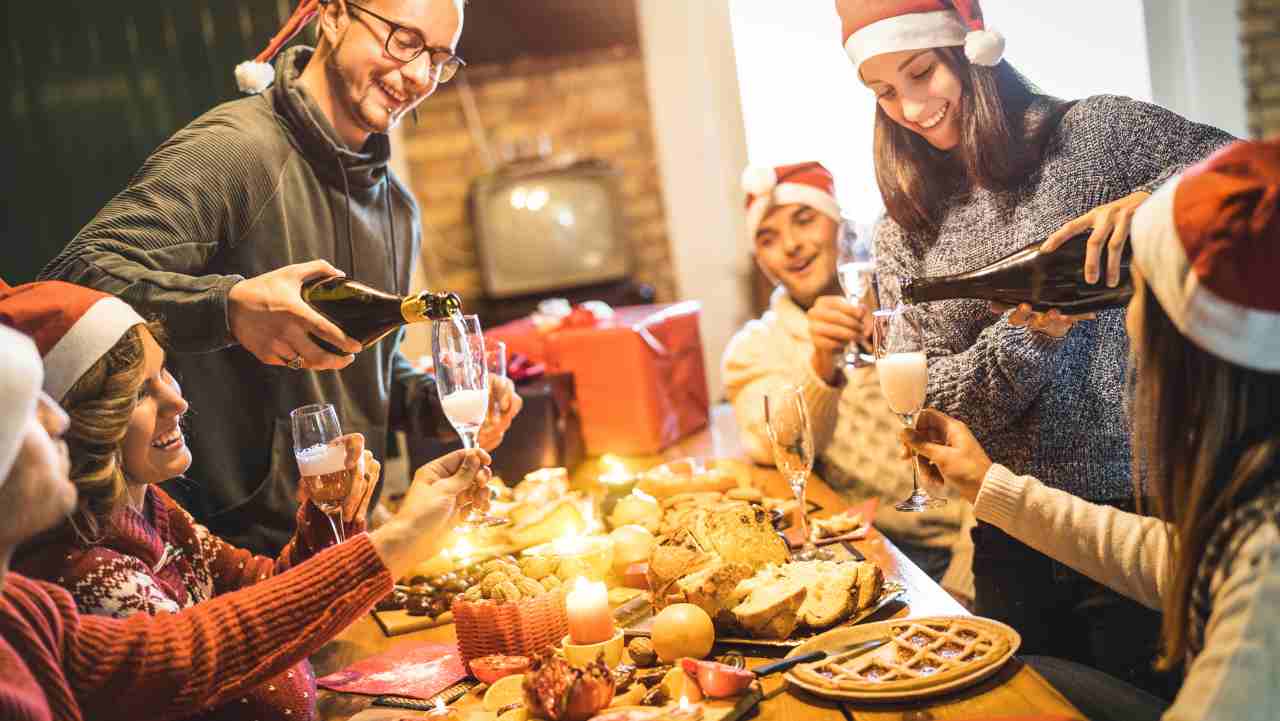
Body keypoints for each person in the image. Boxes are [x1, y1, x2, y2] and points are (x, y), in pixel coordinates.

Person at [833, 0, 1235, 692]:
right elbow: (932, 398)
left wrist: (1161, 202)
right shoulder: (905, 225)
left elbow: (1246, 177)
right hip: (1008, 531)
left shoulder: (1095, 134)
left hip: (1138, 520)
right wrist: (1028, 334)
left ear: (971, 51)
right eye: (883, 92)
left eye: (922, 72)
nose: (910, 107)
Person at [37, 0, 522, 554]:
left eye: (438, 58)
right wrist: (230, 307)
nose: (417, 75)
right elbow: (74, 280)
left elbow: (360, 363)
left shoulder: (396, 205)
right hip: (229, 558)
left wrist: (430, 403)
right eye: (404, 40)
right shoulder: (234, 150)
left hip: (340, 549)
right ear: (334, 16)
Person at [904, 138, 1280, 721]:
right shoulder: (1253, 521)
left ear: (1195, 348)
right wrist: (987, 484)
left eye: (1138, 291)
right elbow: (1175, 562)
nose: (1121, 313)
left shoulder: (1267, 581)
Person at [0, 321, 494, 721]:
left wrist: (331, 523)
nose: (179, 400)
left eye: (164, 373)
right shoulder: (80, 570)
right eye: (25, 411)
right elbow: (196, 658)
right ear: (94, 421)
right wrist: (399, 541)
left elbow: (261, 593)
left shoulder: (140, 520)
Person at [722, 161, 974, 604]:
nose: (792, 245)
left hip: (978, 533)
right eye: (768, 238)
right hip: (880, 545)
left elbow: (997, 436)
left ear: (840, 222)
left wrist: (962, 584)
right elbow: (774, 448)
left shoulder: (914, 307)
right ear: (759, 260)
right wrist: (821, 365)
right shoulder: (756, 346)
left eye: (804, 220)